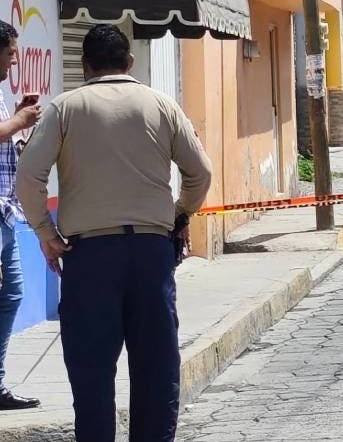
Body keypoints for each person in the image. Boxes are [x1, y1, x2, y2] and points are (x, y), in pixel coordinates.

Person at [16, 24, 213, 442]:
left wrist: (45, 233)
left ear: (85, 66)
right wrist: (180, 215)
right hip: (150, 251)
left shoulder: (64, 108)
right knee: (156, 368)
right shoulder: (161, 104)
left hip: (89, 256)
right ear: (129, 62)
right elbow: (200, 172)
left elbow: (28, 176)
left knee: (90, 373)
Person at [0, 21, 41, 411]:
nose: (15, 60)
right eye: (11, 52)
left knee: (12, 294)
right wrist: (17, 122)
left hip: (6, 213)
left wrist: (18, 127)